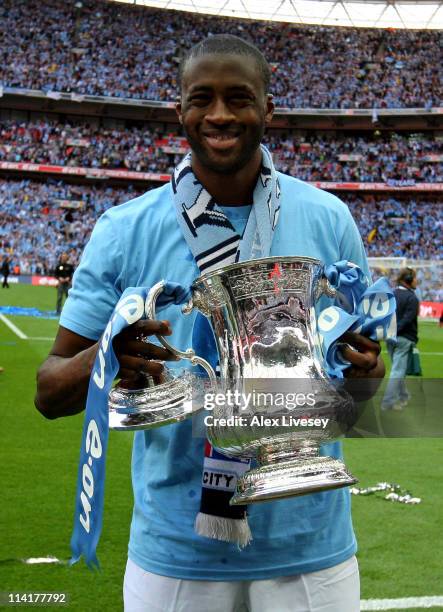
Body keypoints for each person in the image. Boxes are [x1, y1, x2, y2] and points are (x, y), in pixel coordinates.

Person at [35, 35, 384, 612]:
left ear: (268, 109)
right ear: (180, 111)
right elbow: (49, 393)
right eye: (202, 98)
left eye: (239, 98)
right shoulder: (124, 229)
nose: (220, 114)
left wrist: (366, 370)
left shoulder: (329, 219)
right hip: (177, 552)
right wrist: (107, 361)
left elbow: (358, 398)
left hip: (310, 545)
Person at [381, 267, 419, 411]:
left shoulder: (392, 294)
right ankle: (388, 402)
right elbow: (408, 319)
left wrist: (390, 332)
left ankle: (404, 396)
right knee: (397, 371)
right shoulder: (412, 298)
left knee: (398, 369)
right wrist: (397, 331)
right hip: (403, 338)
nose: (416, 281)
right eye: (414, 277)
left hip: (390, 337)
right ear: (408, 280)